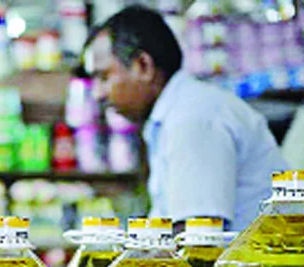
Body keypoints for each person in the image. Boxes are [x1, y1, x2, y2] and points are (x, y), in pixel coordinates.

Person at [83, 5, 288, 231]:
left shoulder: (193, 117)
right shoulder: (176, 113)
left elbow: (196, 237)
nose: (98, 94)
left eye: (104, 77)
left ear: (143, 66)